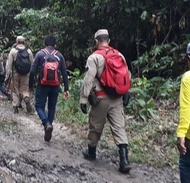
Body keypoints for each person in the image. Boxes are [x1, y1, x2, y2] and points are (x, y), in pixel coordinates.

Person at [79, 29, 131, 174]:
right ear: (109, 40)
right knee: (119, 127)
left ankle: (91, 152)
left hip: (101, 98)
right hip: (117, 97)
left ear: (96, 41)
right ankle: (124, 160)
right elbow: (126, 74)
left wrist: (84, 99)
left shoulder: (94, 57)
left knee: (95, 125)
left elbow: (88, 79)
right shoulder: (119, 55)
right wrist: (126, 92)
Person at [29, 34, 70, 142]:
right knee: (52, 107)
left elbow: (32, 71)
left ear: (45, 43)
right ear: (54, 44)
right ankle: (49, 125)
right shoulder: (59, 56)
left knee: (39, 106)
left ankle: (46, 123)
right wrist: (66, 88)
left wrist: (30, 86)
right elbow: (64, 73)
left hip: (42, 85)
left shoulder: (40, 54)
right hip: (55, 86)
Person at [176, 41, 190, 183]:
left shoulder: (189, 77)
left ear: (189, 59)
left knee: (186, 165)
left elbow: (187, 108)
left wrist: (181, 133)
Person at [5, 36, 33, 114]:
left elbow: (9, 64)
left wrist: (8, 74)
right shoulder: (29, 51)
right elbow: (32, 63)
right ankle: (26, 98)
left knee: (15, 90)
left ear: (17, 42)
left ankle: (15, 107)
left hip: (15, 73)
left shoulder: (13, 51)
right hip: (26, 74)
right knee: (24, 89)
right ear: (24, 42)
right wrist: (30, 74)